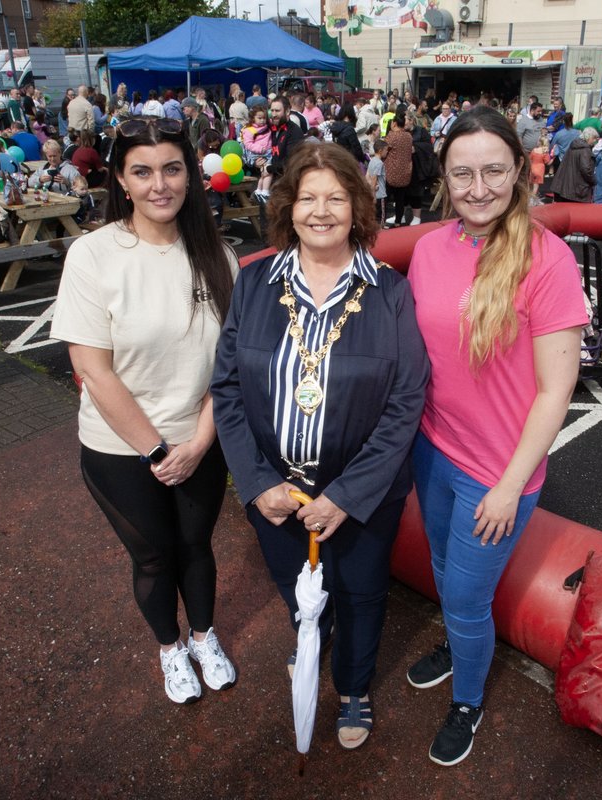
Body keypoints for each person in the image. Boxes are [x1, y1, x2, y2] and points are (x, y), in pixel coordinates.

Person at [210, 141, 428, 751]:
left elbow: (405, 402)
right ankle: (314, 629)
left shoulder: (390, 292)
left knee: (361, 592)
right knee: (295, 585)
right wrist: (257, 485)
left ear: (358, 208)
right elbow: (225, 388)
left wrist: (347, 495)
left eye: (336, 198)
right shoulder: (254, 284)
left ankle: (354, 686)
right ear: (288, 207)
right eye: (308, 198)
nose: (321, 211)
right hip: (276, 490)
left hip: (361, 495)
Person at [405, 106, 588, 767]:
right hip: (432, 450)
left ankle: (469, 700)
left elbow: (555, 390)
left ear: (519, 171)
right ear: (443, 179)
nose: (477, 187)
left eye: (492, 171)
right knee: (441, 570)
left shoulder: (549, 260)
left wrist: (510, 487)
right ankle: (457, 647)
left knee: (463, 595)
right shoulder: (428, 250)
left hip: (497, 474)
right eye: (462, 173)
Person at [50, 116, 238, 705]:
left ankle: (204, 635)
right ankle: (169, 647)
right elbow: (94, 371)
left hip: (200, 441)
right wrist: (157, 451)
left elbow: (226, 367)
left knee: (197, 546)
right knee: (155, 557)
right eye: (143, 171)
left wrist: (200, 442)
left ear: (191, 175)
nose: (161, 184)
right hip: (121, 449)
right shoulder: (94, 255)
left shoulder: (218, 256)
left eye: (173, 169)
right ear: (121, 181)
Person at [382, 111, 414, 226]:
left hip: (391, 173)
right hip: (405, 173)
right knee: (400, 200)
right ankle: (398, 222)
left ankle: (382, 222)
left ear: (394, 123)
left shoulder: (392, 136)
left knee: (385, 199)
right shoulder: (409, 136)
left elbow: (383, 153)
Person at [549, 127, 598, 203]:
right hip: (577, 190)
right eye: (594, 138)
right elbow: (585, 169)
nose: (595, 141)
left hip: (564, 186)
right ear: (589, 137)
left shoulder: (574, 146)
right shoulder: (585, 150)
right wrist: (593, 181)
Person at [367, 140, 388, 220]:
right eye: (386, 150)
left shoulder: (372, 161)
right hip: (380, 195)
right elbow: (374, 178)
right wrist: (374, 195)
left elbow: (367, 176)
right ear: (380, 151)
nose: (387, 152)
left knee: (374, 217)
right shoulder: (379, 163)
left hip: (375, 194)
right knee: (381, 218)